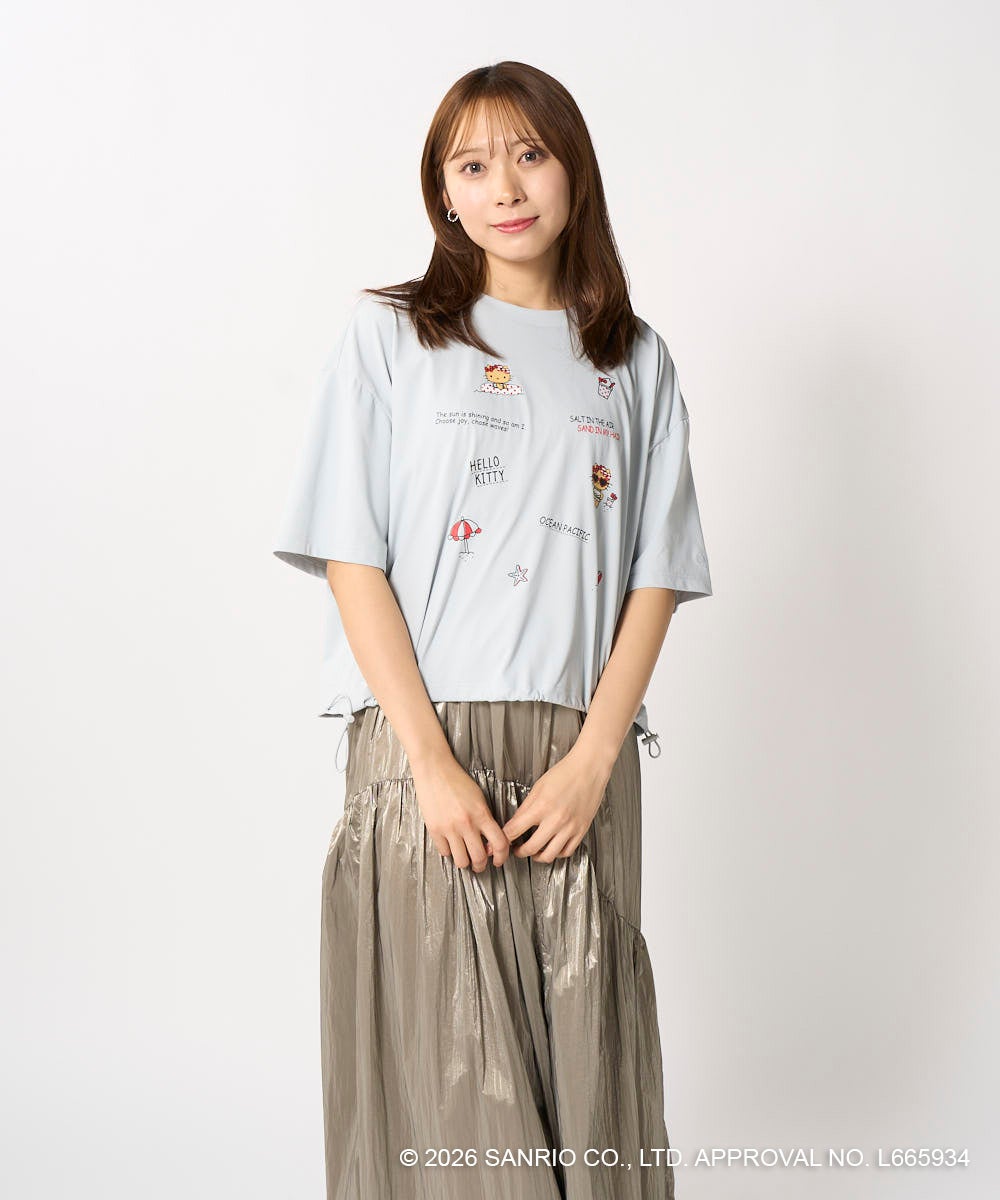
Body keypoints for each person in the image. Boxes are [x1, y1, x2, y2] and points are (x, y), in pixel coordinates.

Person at [273, 60, 713, 1200]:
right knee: (447, 1090)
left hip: (578, 762)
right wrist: (427, 764)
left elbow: (656, 578)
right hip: (424, 752)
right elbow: (352, 557)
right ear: (443, 194)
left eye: (528, 154)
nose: (504, 186)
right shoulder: (389, 339)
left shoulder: (635, 360)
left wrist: (595, 762)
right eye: (471, 165)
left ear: (573, 170)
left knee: (590, 1084)